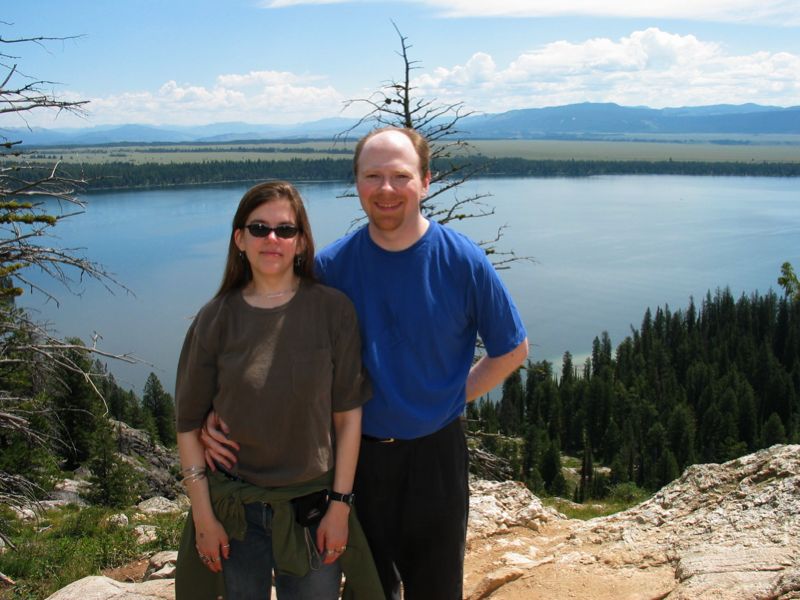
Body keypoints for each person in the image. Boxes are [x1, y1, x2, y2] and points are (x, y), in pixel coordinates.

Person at [203, 129, 528, 599]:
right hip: (354, 460)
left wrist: (448, 397)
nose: (386, 189)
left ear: (426, 181)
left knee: (436, 587)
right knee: (367, 589)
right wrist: (223, 412)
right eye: (372, 175)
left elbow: (511, 350)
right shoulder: (332, 269)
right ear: (357, 183)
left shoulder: (462, 260)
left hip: (436, 456)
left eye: (401, 175)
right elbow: (267, 339)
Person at [173, 181, 381, 600]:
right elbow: (188, 425)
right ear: (239, 240)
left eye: (285, 230)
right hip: (234, 512)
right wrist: (204, 518)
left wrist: (340, 506)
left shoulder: (332, 311)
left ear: (301, 241)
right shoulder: (215, 319)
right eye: (259, 228)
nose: (272, 239)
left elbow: (348, 417)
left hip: (313, 509)